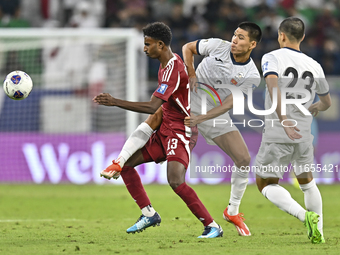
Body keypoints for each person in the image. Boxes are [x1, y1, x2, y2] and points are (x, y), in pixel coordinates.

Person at [94, 22, 223, 238]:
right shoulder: (164, 66)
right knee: (125, 166)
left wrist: (115, 101)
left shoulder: (173, 69)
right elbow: (159, 110)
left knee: (175, 180)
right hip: (165, 129)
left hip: (181, 131)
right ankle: (148, 214)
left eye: (148, 44)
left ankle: (212, 226)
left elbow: (152, 106)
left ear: (160, 45)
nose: (144, 48)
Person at [255, 17, 331, 244]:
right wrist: (315, 107)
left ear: (281, 35)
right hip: (305, 133)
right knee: (307, 182)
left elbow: (272, 86)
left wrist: (284, 119)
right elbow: (326, 102)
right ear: (303, 37)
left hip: (279, 129)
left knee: (266, 183)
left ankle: (303, 216)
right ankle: (319, 232)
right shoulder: (314, 65)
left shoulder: (272, 57)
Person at [182, 22, 262, 236]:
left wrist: (202, 118)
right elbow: (188, 48)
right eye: (235, 34)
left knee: (244, 158)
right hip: (186, 101)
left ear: (252, 44)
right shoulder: (218, 46)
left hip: (212, 112)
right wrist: (191, 72)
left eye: (242, 37)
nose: (235, 40)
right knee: (156, 122)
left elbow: (228, 104)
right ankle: (122, 162)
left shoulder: (252, 75)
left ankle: (232, 211)